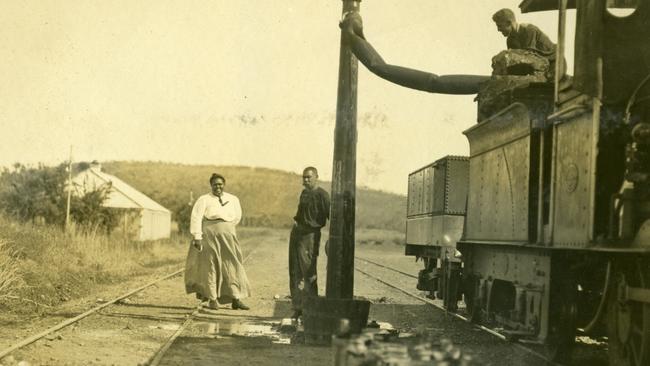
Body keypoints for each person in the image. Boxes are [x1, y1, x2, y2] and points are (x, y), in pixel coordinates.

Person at [184, 173, 251, 311]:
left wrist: (227, 228)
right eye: (215, 184)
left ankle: (236, 298)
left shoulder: (233, 199)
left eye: (220, 184)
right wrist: (197, 236)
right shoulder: (204, 199)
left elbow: (237, 217)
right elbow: (196, 217)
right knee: (211, 265)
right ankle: (213, 299)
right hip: (209, 235)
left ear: (224, 185)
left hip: (228, 235)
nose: (218, 187)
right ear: (211, 185)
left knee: (232, 264)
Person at [289, 167, 330, 319]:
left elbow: (331, 216)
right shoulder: (304, 193)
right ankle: (298, 307)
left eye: (309, 177)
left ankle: (312, 308)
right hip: (297, 233)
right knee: (295, 271)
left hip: (311, 235)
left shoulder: (323, 195)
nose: (306, 180)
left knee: (308, 271)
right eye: (304, 177)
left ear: (316, 177)